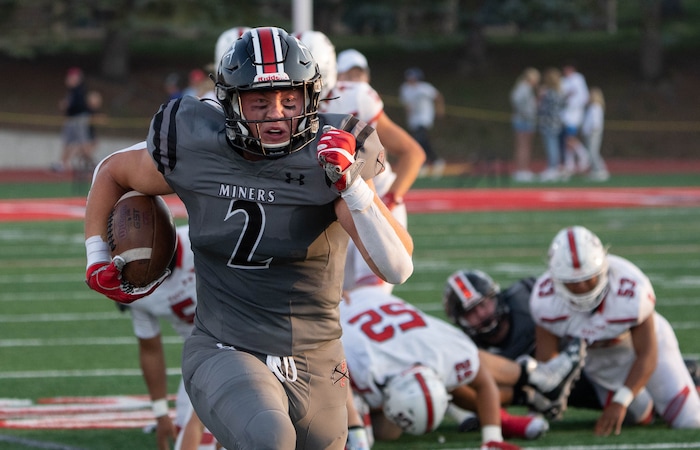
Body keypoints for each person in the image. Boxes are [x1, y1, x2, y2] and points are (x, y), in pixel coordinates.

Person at [83, 26, 413, 450]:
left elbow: (397, 268)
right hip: (226, 345)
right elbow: (112, 171)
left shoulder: (330, 156)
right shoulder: (197, 144)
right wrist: (96, 254)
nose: (276, 112)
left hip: (316, 357)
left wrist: (352, 185)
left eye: (289, 99)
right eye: (260, 101)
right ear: (232, 102)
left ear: (310, 97)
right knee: (268, 438)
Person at [340, 284, 586, 449]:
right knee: (387, 432)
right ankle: (530, 390)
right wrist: (357, 432)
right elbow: (340, 384)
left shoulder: (444, 356)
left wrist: (492, 439)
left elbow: (482, 382)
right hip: (348, 305)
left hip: (379, 314)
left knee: (463, 372)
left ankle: (535, 379)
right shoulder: (362, 365)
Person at [530, 225, 700, 436]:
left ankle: (689, 381)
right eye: (572, 282)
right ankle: (683, 381)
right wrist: (547, 398)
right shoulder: (544, 301)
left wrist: (620, 402)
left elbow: (647, 355)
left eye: (588, 278)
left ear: (603, 269)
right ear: (556, 278)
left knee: (689, 420)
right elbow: (548, 360)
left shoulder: (630, 287)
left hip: (644, 346)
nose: (582, 287)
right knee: (638, 417)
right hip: (600, 360)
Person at [306, 40, 424, 293]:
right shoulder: (281, 113)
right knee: (337, 296)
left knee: (369, 293)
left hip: (369, 198)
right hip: (330, 209)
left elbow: (413, 152)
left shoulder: (356, 97)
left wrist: (392, 197)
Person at [398, 66, 446, 178]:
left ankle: (429, 162)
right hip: (413, 119)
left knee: (419, 139)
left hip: (425, 117)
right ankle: (432, 161)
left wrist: (440, 109)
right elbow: (406, 105)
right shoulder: (405, 89)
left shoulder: (425, 88)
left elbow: (438, 96)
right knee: (422, 141)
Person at [57, 67, 93, 172]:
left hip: (78, 118)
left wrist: (66, 105)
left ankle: (90, 164)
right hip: (71, 119)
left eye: (72, 77)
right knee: (68, 142)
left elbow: (79, 106)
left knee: (83, 142)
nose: (68, 79)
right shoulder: (73, 91)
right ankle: (62, 164)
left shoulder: (80, 91)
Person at [509, 68, 541, 183]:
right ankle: (522, 170)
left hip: (524, 120)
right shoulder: (525, 88)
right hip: (524, 121)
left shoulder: (522, 87)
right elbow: (517, 102)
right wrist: (526, 114)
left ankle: (523, 169)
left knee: (523, 146)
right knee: (523, 146)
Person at [559, 62, 590, 176]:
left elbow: (583, 98)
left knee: (570, 138)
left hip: (574, 115)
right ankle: (569, 164)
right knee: (567, 140)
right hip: (566, 115)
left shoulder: (578, 79)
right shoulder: (564, 81)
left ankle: (584, 156)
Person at [536, 67, 567, 182]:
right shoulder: (560, 92)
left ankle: (552, 168)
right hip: (557, 122)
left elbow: (541, 109)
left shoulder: (548, 92)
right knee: (555, 145)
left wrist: (540, 97)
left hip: (548, 122)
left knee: (551, 146)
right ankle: (555, 167)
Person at [581, 86, 609, 181]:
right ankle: (595, 170)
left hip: (593, 133)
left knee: (593, 152)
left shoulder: (596, 107)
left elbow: (595, 123)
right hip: (591, 133)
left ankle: (600, 170)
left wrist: (592, 131)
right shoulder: (592, 107)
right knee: (591, 152)